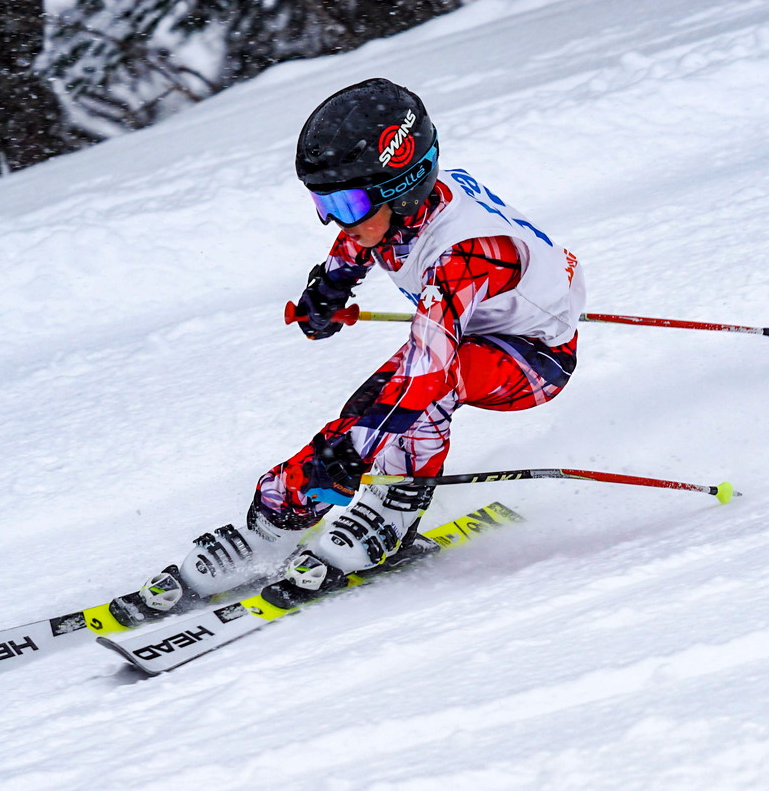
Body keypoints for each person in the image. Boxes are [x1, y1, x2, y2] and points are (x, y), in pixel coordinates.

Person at [111, 78, 585, 624]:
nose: (338, 217)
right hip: (479, 325)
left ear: (401, 186)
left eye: (347, 201)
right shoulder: (399, 211)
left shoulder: (464, 256)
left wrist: (343, 458)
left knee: (405, 407)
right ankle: (274, 526)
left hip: (532, 360)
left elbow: (428, 376)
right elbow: (363, 236)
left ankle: (392, 509)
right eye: (323, 201)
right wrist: (330, 287)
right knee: (364, 411)